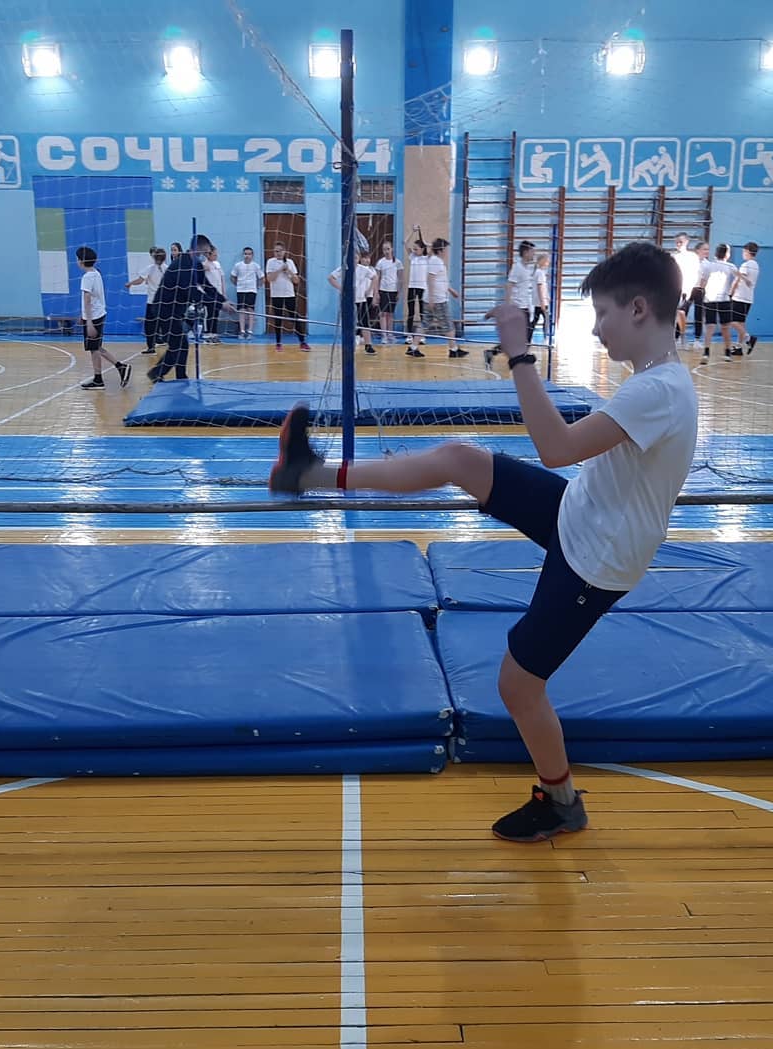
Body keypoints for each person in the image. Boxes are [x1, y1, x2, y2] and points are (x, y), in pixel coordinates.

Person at [267, 242, 698, 842]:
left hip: (595, 557)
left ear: (639, 309)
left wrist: (520, 354)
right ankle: (308, 474)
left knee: (518, 686)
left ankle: (561, 801)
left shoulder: (660, 391)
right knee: (461, 460)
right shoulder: (655, 381)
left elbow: (557, 449)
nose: (597, 328)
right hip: (580, 514)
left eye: (602, 313)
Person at [147, 233, 235, 382]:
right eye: (206, 250)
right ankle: (157, 374)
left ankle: (177, 375)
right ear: (199, 248)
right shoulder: (183, 265)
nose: (207, 253)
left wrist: (224, 300)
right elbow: (193, 293)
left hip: (176, 310)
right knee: (178, 344)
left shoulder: (196, 265)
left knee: (181, 344)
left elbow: (207, 286)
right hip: (164, 309)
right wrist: (220, 306)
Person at [76, 246, 131, 390]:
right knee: (95, 347)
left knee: (94, 349)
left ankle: (105, 376)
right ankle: (112, 371)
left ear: (81, 261)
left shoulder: (87, 277)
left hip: (94, 317)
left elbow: (87, 299)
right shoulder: (96, 273)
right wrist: (83, 316)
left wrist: (89, 322)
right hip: (98, 314)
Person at [485, 240, 537, 369]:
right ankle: (519, 360)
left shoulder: (527, 268)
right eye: (532, 252)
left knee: (522, 338)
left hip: (526, 307)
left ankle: (493, 353)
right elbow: (509, 285)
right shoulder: (517, 267)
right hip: (518, 308)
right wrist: (508, 307)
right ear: (525, 252)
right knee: (520, 338)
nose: (534, 254)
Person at [328, 251, 378, 355]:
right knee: (348, 322)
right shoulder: (344, 268)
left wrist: (369, 290)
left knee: (365, 322)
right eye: (352, 258)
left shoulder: (363, 269)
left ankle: (368, 345)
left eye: (355, 258)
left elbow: (375, 277)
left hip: (361, 300)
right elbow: (331, 278)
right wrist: (341, 288)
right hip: (348, 300)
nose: (354, 260)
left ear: (358, 259)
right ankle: (348, 343)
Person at [424, 238, 467, 359]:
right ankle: (453, 349)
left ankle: (413, 347)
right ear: (441, 250)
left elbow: (440, 280)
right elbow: (430, 279)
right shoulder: (436, 261)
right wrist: (432, 298)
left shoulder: (436, 260)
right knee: (448, 324)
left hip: (435, 297)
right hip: (438, 299)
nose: (447, 252)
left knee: (424, 324)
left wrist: (451, 290)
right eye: (446, 249)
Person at [266, 242, 310, 352]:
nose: (278, 253)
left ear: (284, 251)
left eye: (280, 251)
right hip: (276, 295)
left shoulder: (290, 262)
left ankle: (302, 342)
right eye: (276, 251)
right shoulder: (270, 262)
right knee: (278, 319)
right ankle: (278, 343)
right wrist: (280, 269)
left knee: (294, 317)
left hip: (289, 294)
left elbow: (296, 281)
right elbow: (270, 279)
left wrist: (289, 271)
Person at [125, 246, 167, 354]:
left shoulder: (150, 268)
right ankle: (168, 344)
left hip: (152, 302)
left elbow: (140, 280)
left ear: (154, 257)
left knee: (150, 326)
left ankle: (151, 347)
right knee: (163, 324)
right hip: (164, 302)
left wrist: (130, 283)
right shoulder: (167, 268)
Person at [701, 243, 736, 363]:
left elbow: (703, 282)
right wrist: (732, 291)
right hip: (724, 300)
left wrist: (703, 293)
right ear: (726, 254)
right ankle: (727, 353)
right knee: (725, 327)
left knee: (709, 327)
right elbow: (739, 279)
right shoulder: (731, 266)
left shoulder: (709, 266)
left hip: (710, 299)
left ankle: (706, 353)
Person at [669, 233, 701, 347]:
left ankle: (682, 336)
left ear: (686, 242)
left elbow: (695, 273)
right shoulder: (673, 256)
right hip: (673, 288)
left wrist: (689, 288)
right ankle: (674, 338)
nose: (678, 244)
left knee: (681, 312)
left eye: (680, 242)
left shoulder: (693, 257)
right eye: (676, 242)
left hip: (686, 289)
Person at [730, 241, 761, 355]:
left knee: (730, 320)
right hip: (748, 298)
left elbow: (739, 280)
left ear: (748, 251)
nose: (743, 253)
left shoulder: (746, 265)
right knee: (741, 323)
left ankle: (749, 338)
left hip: (740, 297)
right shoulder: (756, 265)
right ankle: (739, 347)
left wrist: (731, 293)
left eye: (744, 251)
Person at [231, 246, 264, 339]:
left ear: (252, 255)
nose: (247, 256)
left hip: (251, 290)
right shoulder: (238, 265)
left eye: (249, 254)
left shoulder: (255, 266)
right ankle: (242, 331)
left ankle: (250, 331)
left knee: (250, 310)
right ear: (243, 255)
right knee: (241, 310)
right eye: (245, 254)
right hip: (241, 290)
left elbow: (262, 277)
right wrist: (238, 285)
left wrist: (257, 286)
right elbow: (233, 277)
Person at [375, 240, 403, 345]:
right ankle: (384, 335)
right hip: (383, 290)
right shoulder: (380, 262)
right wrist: (376, 292)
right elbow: (377, 278)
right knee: (383, 313)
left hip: (393, 291)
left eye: (388, 249)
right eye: (384, 249)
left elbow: (400, 279)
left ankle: (390, 334)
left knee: (390, 314)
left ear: (392, 249)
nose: (386, 251)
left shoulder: (398, 263)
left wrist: (399, 292)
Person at [405, 233, 429, 357]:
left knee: (422, 312)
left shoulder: (427, 258)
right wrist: (412, 231)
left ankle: (422, 336)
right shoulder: (412, 257)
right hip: (412, 287)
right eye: (413, 249)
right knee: (411, 312)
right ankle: (409, 335)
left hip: (422, 287)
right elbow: (405, 243)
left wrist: (424, 241)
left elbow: (433, 248)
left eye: (417, 249)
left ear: (422, 249)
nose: (414, 250)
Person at [203, 245, 226, 343]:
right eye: (214, 254)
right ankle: (208, 334)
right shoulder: (205, 265)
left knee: (216, 314)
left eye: (217, 254)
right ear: (208, 254)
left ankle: (214, 333)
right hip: (210, 294)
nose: (216, 256)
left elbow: (222, 278)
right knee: (210, 314)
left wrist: (223, 292)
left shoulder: (217, 264)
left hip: (218, 292)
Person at [689, 241, 710, 349]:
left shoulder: (707, 264)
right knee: (682, 312)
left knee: (699, 314)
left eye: (708, 249)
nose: (707, 251)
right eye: (704, 249)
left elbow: (706, 279)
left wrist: (701, 289)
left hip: (700, 290)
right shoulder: (691, 261)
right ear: (698, 250)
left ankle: (697, 340)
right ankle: (677, 337)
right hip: (688, 289)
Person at [531, 253, 551, 343]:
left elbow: (543, 288)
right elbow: (540, 288)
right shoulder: (540, 273)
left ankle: (529, 336)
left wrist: (547, 297)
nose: (548, 263)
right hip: (541, 302)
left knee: (535, 320)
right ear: (542, 261)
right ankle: (545, 338)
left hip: (539, 301)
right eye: (547, 261)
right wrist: (543, 302)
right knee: (546, 320)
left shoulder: (538, 272)